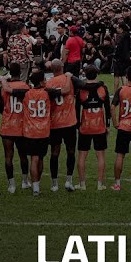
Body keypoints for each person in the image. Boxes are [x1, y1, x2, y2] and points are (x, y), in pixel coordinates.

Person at [46, 60, 79, 192]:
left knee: (54, 152)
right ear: (62, 67)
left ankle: (54, 184)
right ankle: (69, 181)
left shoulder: (48, 83)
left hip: (54, 123)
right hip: (69, 121)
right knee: (71, 151)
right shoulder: (68, 79)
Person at [76, 66, 111, 189]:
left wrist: (77, 125)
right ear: (96, 75)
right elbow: (108, 109)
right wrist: (107, 125)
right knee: (100, 155)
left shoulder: (81, 89)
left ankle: (82, 184)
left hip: (85, 126)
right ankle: (100, 184)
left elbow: (76, 110)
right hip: (99, 126)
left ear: (85, 74)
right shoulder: (103, 88)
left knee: (82, 156)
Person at [22, 69, 54, 196]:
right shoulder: (47, 93)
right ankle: (37, 184)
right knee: (40, 158)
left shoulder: (26, 93)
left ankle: (35, 187)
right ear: (41, 81)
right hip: (44, 131)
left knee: (34, 158)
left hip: (30, 131)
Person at [0, 63, 29, 193]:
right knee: (23, 155)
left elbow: (0, 107)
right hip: (21, 125)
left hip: (8, 125)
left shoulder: (3, 88)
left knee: (8, 156)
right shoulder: (25, 86)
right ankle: (25, 181)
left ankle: (11, 185)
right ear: (20, 72)